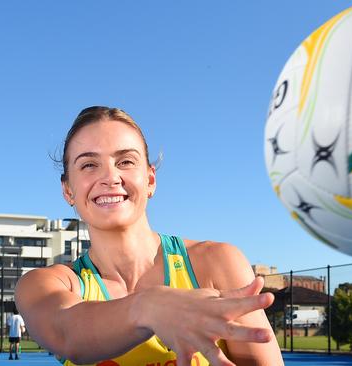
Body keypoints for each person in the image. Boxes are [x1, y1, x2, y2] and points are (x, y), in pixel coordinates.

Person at [15, 106, 283, 366]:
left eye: (125, 161)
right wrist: (149, 307)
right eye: (88, 165)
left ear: (150, 180)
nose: (110, 176)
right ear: (68, 190)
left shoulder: (216, 262)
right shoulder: (47, 284)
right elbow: (68, 334)